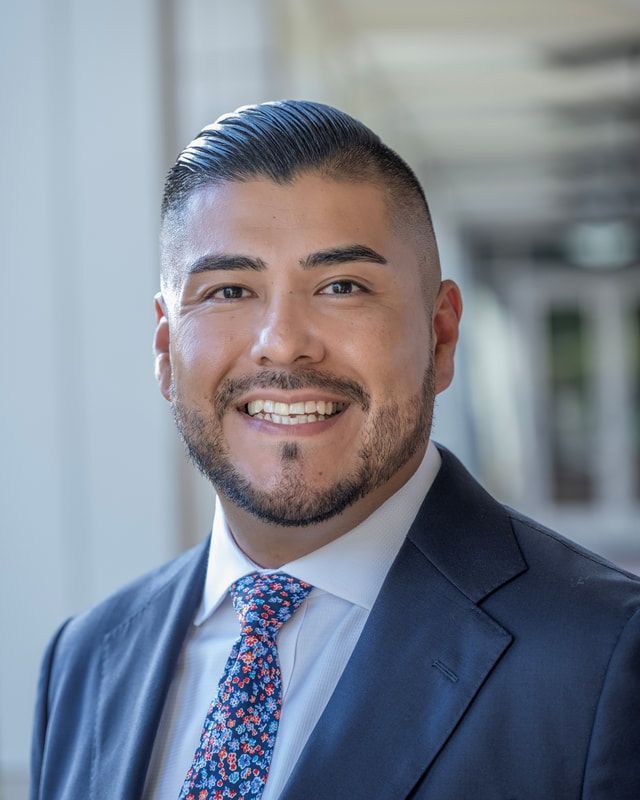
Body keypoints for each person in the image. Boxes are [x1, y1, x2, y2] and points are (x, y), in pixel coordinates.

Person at [31, 100, 640, 800]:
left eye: (341, 287)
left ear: (440, 336)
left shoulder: (604, 656)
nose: (283, 341)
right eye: (230, 290)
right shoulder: (86, 661)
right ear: (166, 349)